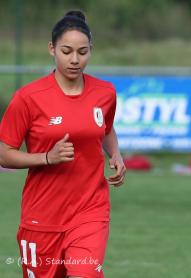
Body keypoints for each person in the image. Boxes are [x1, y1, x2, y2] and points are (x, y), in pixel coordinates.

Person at [0, 10, 126, 278]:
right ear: (51, 49)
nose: (75, 59)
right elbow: (4, 153)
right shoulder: (28, 98)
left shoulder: (105, 93)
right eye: (66, 51)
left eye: (82, 52)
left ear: (91, 51)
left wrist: (115, 154)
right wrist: (46, 157)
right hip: (41, 216)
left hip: (90, 209)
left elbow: (105, 127)